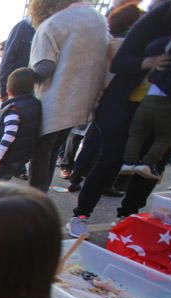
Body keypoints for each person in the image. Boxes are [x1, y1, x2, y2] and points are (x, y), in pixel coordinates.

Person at [66, 0, 171, 238]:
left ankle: (127, 218)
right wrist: (148, 62)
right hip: (128, 104)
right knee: (111, 161)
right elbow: (121, 60)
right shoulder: (164, 15)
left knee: (150, 168)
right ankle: (81, 214)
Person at [27, 0, 109, 192]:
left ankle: (34, 200)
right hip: (82, 100)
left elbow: (44, 66)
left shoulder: (53, 24)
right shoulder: (97, 19)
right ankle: (40, 197)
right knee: (54, 150)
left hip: (53, 100)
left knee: (42, 152)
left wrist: (21, 80)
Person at [120, 31, 171, 180]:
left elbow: (151, 47)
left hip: (150, 98)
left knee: (137, 133)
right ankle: (148, 163)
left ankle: (129, 161)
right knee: (165, 137)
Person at [0, 67, 41, 182]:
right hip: (21, 154)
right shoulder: (35, 104)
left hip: (7, 156)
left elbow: (9, 135)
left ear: (9, 91)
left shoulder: (13, 109)